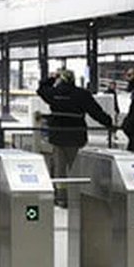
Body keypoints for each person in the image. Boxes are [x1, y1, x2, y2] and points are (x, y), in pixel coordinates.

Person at [36, 69, 113, 206]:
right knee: (76, 168)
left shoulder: (54, 93)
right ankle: (75, 198)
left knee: (59, 169)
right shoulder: (82, 94)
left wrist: (51, 78)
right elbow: (95, 111)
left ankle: (61, 198)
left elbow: (41, 89)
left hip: (58, 136)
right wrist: (108, 122)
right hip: (76, 136)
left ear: (61, 79)